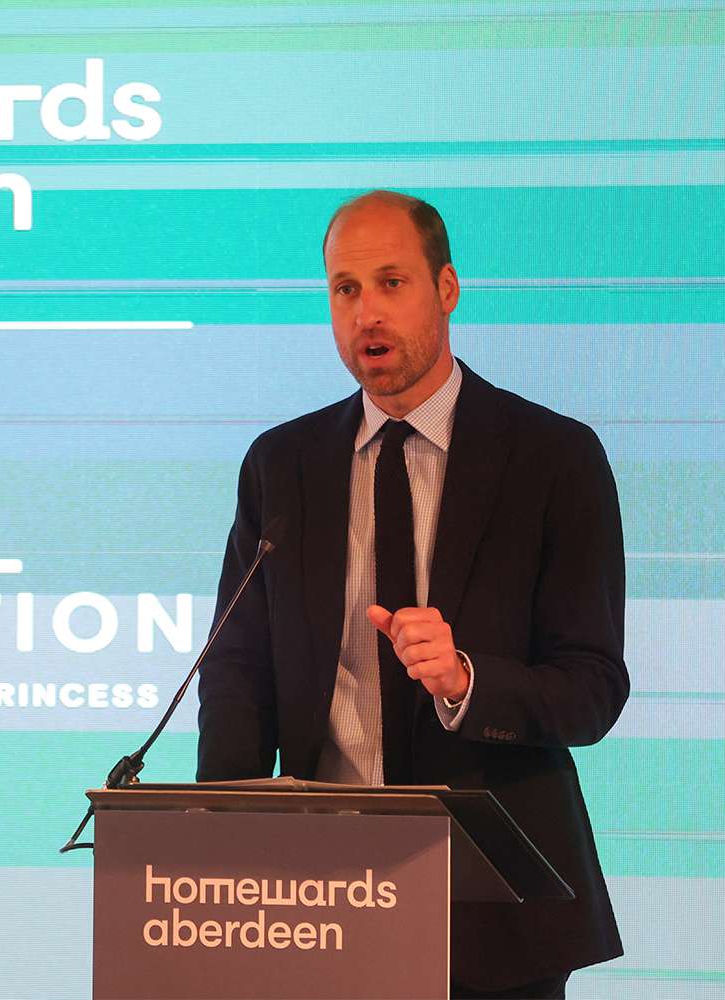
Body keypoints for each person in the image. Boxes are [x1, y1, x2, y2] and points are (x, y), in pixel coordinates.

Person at [196, 190, 628, 998]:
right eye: (345, 288)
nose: (366, 313)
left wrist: (469, 680)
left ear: (448, 288)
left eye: (391, 283)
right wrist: (225, 861)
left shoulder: (554, 458)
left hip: (496, 909)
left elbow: (594, 688)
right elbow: (237, 674)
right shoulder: (281, 465)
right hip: (316, 903)